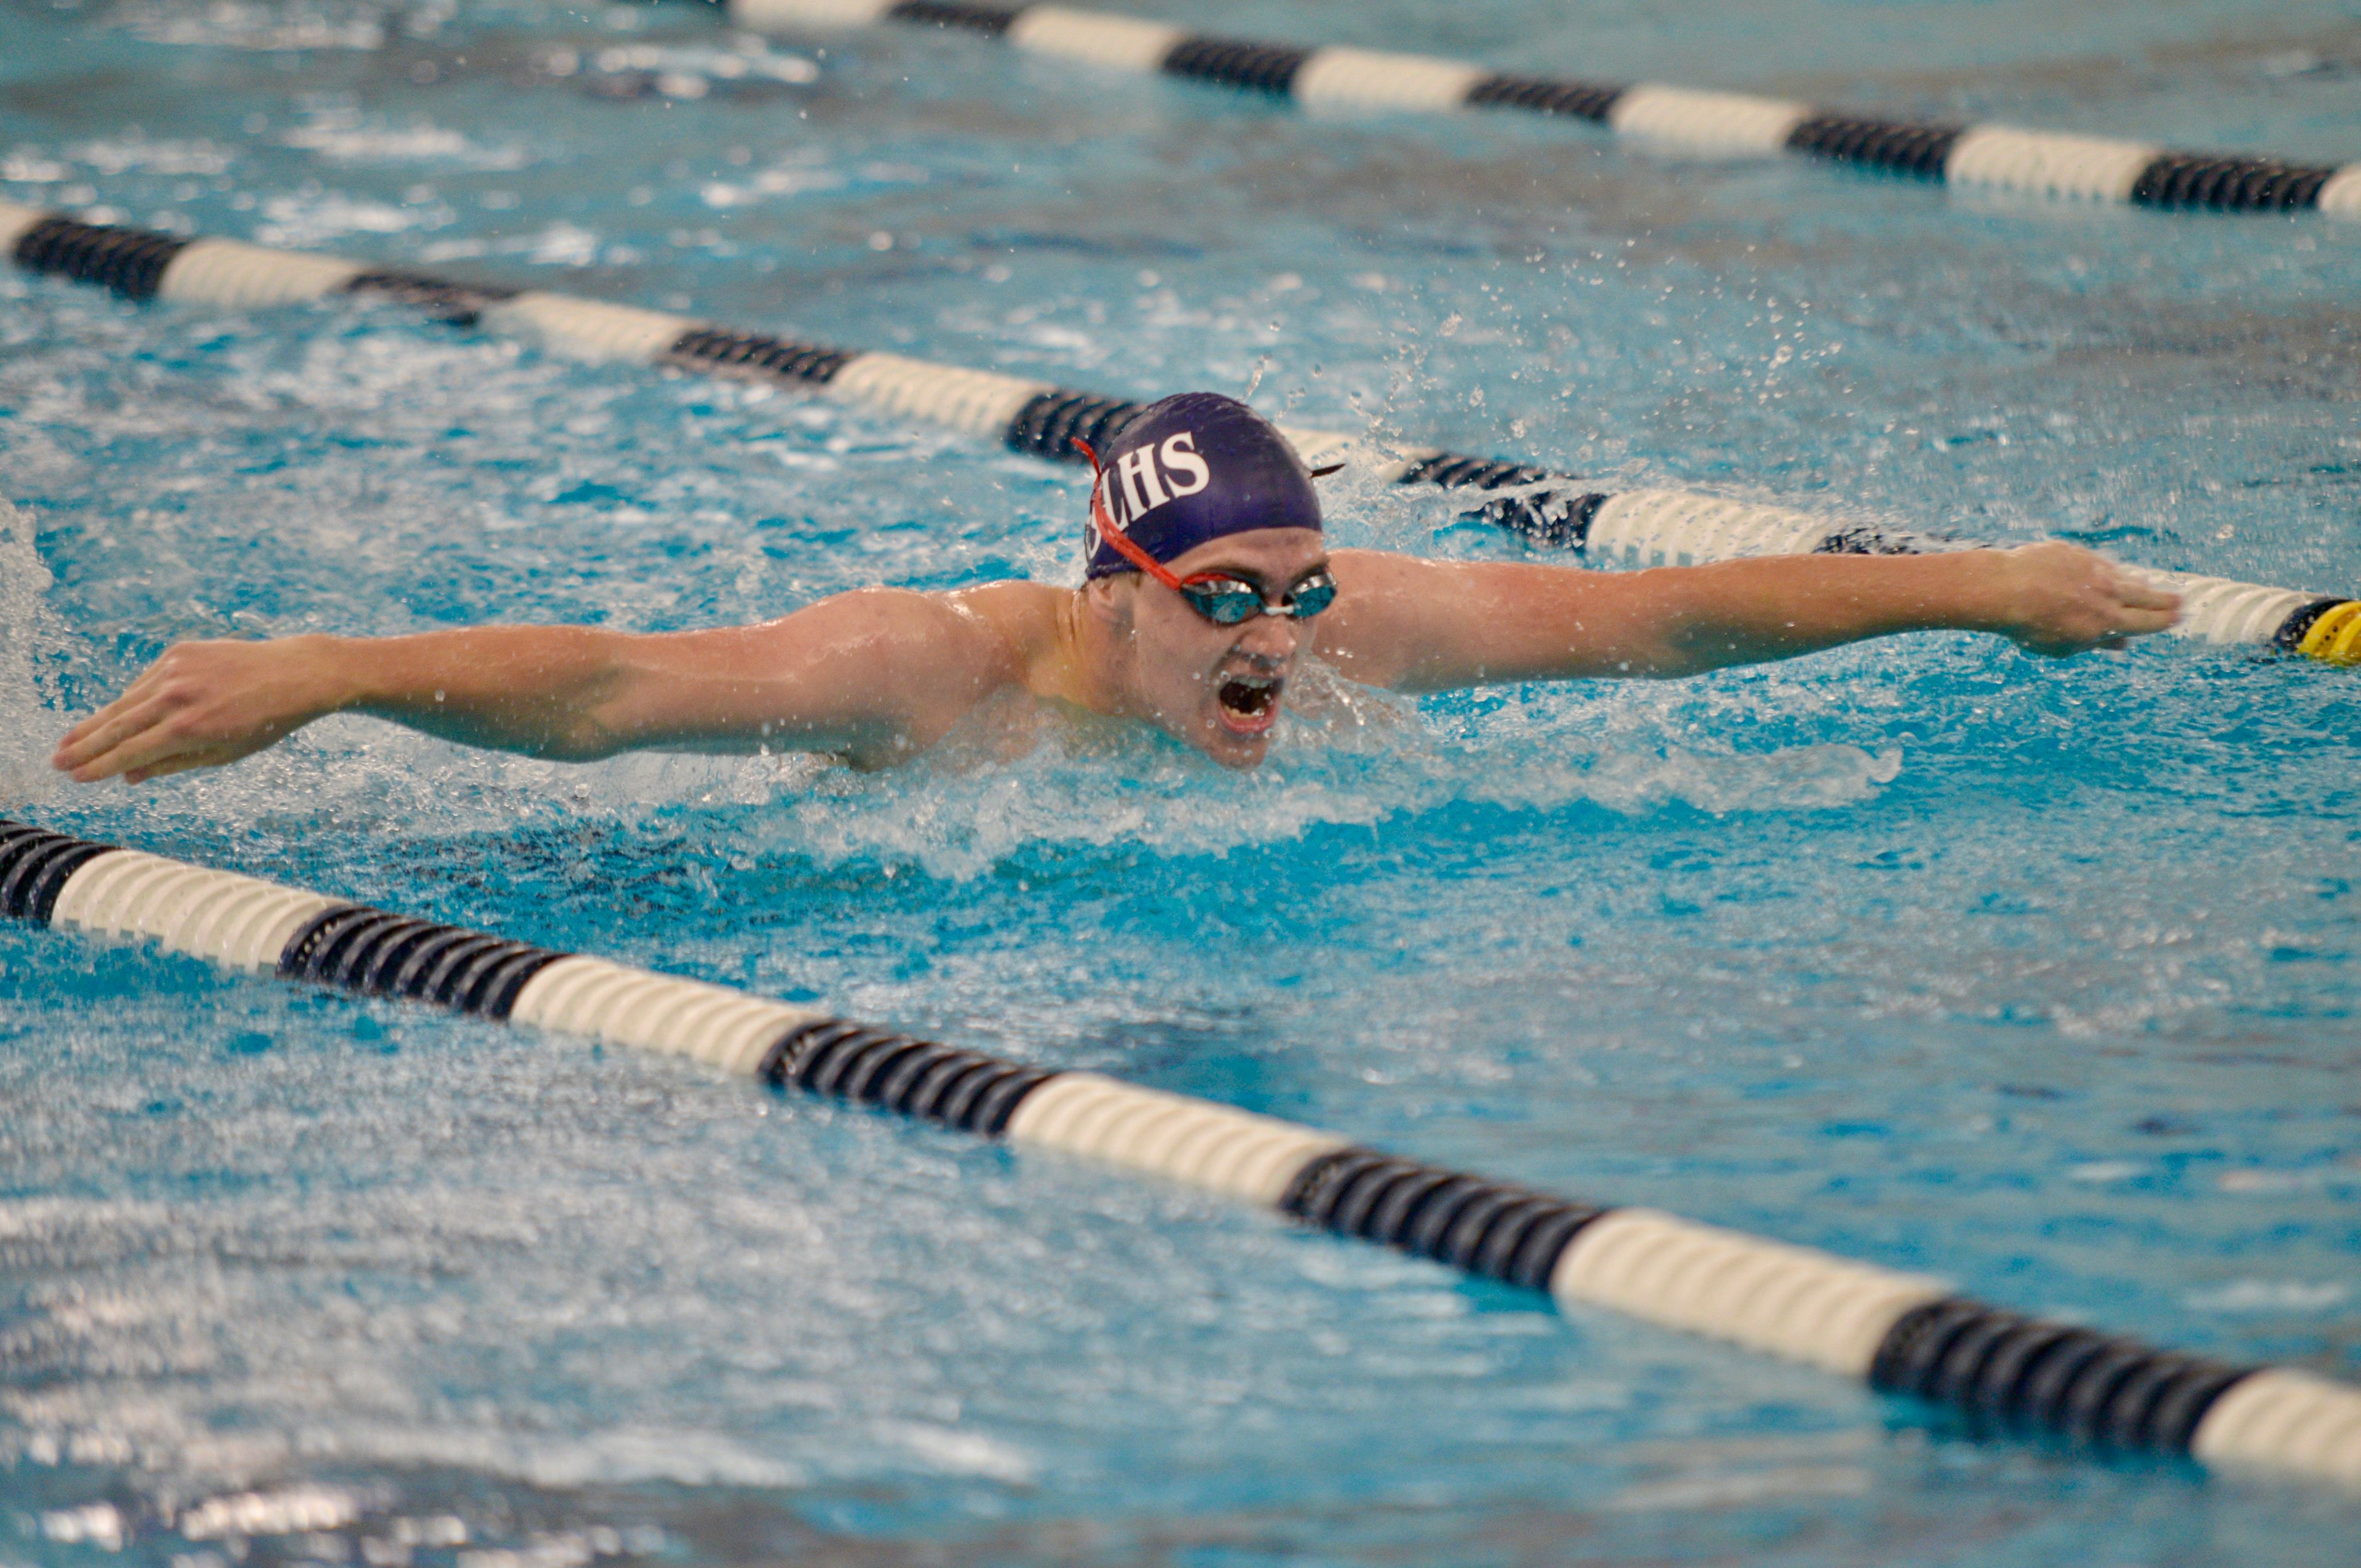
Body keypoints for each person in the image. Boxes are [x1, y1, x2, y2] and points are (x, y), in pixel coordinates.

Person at [52, 392, 2180, 785]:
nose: (1278, 639)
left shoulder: (1355, 636)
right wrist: (329, 671)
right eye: (1230, 600)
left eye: (1303, 593)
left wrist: (1978, 582)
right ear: (1117, 584)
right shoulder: (933, 668)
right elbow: (618, 690)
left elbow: (1675, 619)